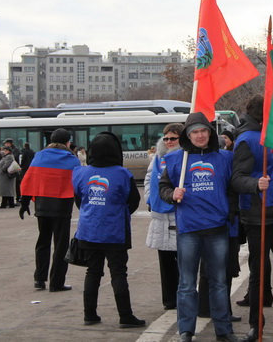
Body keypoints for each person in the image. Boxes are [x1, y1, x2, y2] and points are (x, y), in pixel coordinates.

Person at [159, 112, 238, 342]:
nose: (200, 135)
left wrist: (229, 213)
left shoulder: (224, 158)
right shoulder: (176, 160)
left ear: (210, 133)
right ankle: (186, 330)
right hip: (189, 230)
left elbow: (233, 190)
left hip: (217, 229)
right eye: (195, 131)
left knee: (219, 283)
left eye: (204, 130)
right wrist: (172, 194)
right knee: (186, 284)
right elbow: (162, 188)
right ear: (188, 135)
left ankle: (223, 329)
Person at [231, 95, 273, 342]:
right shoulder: (246, 140)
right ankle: (255, 325)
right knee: (258, 274)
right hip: (257, 215)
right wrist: (254, 183)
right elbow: (236, 178)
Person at [72, 132, 145, 328]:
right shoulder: (122, 174)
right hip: (115, 231)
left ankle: (90, 314)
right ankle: (125, 316)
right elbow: (133, 201)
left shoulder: (80, 173)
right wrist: (119, 212)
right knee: (119, 273)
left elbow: (79, 200)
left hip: (89, 230)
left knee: (92, 272)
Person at [19, 128, 80, 292]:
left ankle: (39, 279)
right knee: (60, 245)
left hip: (42, 206)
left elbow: (28, 181)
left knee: (43, 242)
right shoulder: (72, 159)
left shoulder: (39, 156)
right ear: (68, 142)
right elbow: (78, 184)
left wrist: (24, 203)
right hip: (62, 208)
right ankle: (56, 282)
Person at [144, 123, 184, 311]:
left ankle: (183, 296)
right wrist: (149, 199)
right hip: (160, 215)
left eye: (173, 138)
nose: (168, 142)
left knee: (184, 261)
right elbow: (148, 178)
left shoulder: (185, 157)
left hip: (179, 214)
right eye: (166, 138)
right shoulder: (158, 157)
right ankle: (169, 300)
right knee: (165, 261)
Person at [3, 138, 21, 203]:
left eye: (7, 143)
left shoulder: (15, 150)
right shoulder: (5, 150)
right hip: (9, 169)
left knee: (16, 185)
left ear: (10, 143)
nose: (6, 144)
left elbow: (14, 158)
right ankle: (10, 200)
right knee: (10, 185)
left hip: (14, 169)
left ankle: (18, 198)